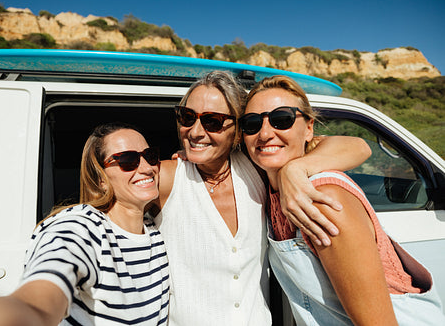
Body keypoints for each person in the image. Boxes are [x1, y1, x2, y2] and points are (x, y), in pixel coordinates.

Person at [154, 71, 371, 325]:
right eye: (187, 117)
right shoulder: (166, 178)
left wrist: (296, 169)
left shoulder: (257, 169)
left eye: (212, 121)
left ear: (237, 131)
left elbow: (358, 146)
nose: (195, 132)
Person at [241, 75, 445, 325]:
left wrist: (295, 169)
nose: (264, 133)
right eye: (251, 123)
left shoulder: (324, 198)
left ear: (309, 128)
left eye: (281, 119)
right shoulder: (265, 188)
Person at [0, 122, 169, 326]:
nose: (146, 167)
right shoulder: (80, 227)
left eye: (150, 156)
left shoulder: (156, 233)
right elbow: (44, 294)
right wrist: (24, 315)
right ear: (101, 179)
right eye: (127, 160)